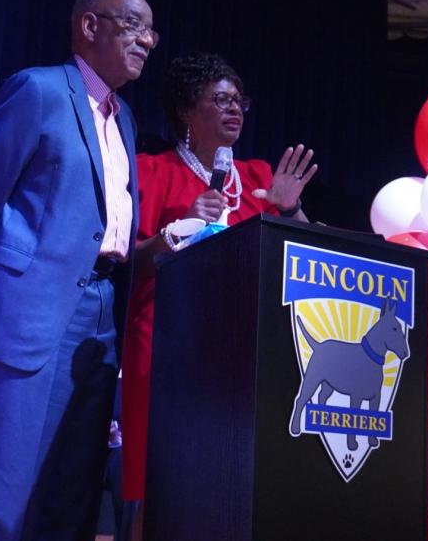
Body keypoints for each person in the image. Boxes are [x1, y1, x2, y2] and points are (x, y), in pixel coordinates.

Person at [0, 0, 156, 541]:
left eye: (151, 32)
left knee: (74, 481)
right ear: (90, 26)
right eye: (135, 26)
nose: (148, 41)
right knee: (9, 483)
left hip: (101, 311)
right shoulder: (39, 90)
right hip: (31, 308)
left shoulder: (126, 119)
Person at [120, 52, 316, 535]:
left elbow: (311, 250)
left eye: (239, 101)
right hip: (169, 346)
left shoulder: (258, 177)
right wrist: (183, 224)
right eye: (221, 100)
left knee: (234, 482)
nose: (235, 110)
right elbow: (130, 262)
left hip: (246, 353)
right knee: (162, 480)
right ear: (188, 109)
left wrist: (289, 212)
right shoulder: (150, 172)